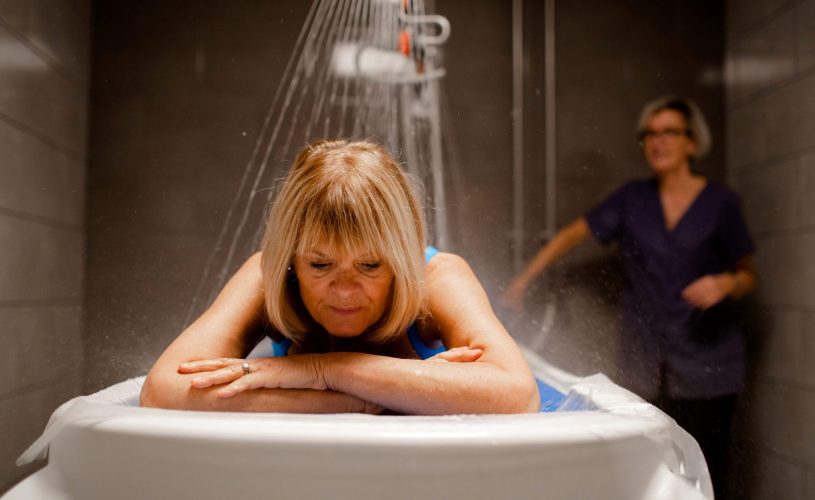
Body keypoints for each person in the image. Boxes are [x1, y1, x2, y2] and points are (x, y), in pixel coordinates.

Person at [141, 139, 540, 416]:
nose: (345, 291)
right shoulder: (269, 276)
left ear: (401, 258)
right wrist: (353, 401)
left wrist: (324, 371)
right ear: (292, 258)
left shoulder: (437, 276)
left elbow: (518, 396)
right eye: (319, 265)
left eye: (370, 266)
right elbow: (163, 392)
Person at [502, 96, 756, 499]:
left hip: (708, 360)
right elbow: (572, 234)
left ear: (692, 142)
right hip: (645, 357)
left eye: (669, 132)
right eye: (650, 134)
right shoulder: (632, 199)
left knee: (708, 466)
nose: (658, 141)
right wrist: (522, 281)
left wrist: (725, 284)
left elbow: (748, 276)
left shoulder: (720, 204)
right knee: (653, 466)